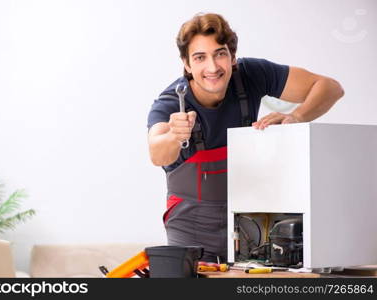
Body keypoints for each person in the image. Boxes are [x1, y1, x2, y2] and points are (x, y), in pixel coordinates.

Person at [147, 13, 344, 263]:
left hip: (251, 228)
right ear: (186, 64)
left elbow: (330, 88)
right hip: (191, 233)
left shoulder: (251, 75)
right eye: (200, 57)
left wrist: (297, 116)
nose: (212, 67)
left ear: (232, 56)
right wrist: (174, 136)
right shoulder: (171, 103)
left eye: (220, 54)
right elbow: (156, 153)